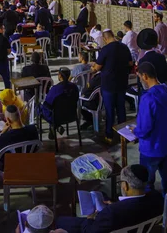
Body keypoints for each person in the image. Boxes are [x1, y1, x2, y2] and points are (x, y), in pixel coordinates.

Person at [55, 165, 164, 233]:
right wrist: (115, 205)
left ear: (125, 185)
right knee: (103, 195)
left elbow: (88, 231)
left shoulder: (110, 213)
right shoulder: (158, 198)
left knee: (60, 221)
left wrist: (89, 218)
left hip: (98, 225)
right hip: (136, 224)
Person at [132, 62, 167, 194]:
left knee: (146, 182)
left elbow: (145, 127)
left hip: (151, 148)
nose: (140, 81)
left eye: (140, 77)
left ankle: (148, 208)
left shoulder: (148, 98)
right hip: (165, 145)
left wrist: (135, 131)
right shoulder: (165, 89)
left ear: (145, 76)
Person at [92, 29, 132, 142]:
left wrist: (93, 67)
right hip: (122, 82)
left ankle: (109, 135)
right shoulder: (124, 47)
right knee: (121, 108)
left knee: (109, 110)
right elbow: (130, 63)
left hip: (109, 84)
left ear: (105, 38)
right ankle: (123, 134)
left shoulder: (105, 49)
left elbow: (97, 67)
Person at [0, 104, 38, 173]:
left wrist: (2, 133)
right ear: (19, 115)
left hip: (8, 164)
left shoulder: (5, 137)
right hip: (28, 160)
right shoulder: (33, 129)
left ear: (8, 120)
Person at [40, 67, 79, 139]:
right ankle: (56, 126)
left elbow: (47, 103)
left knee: (40, 108)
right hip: (71, 115)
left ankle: (55, 125)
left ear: (60, 76)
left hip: (57, 117)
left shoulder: (55, 89)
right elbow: (76, 99)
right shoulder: (74, 87)